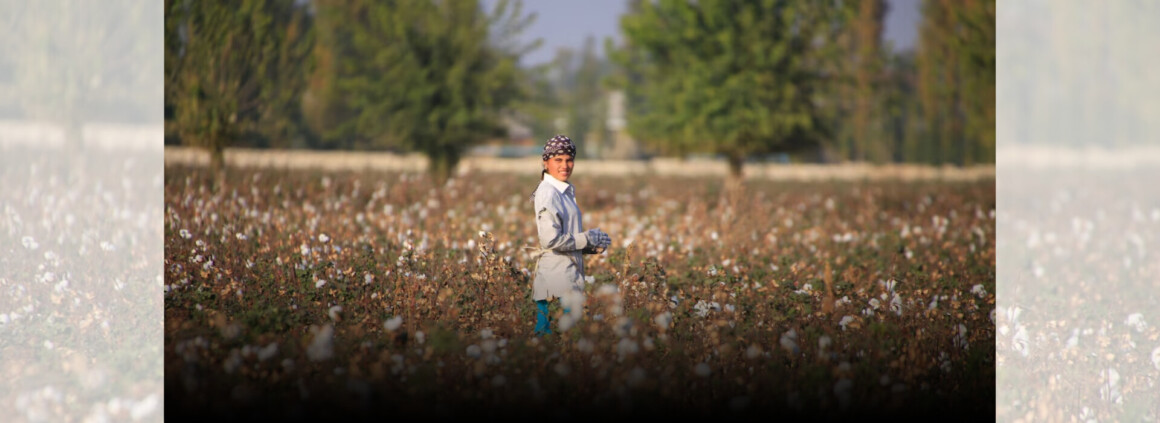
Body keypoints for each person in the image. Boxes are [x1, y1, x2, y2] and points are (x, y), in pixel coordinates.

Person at [528, 134, 611, 337]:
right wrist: (587, 238)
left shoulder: (563, 191)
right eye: (558, 160)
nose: (565, 165)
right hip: (556, 281)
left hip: (565, 276)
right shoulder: (549, 192)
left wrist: (591, 245)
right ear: (546, 163)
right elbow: (551, 240)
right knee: (558, 340)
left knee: (561, 341)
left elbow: (564, 236)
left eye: (569, 160)